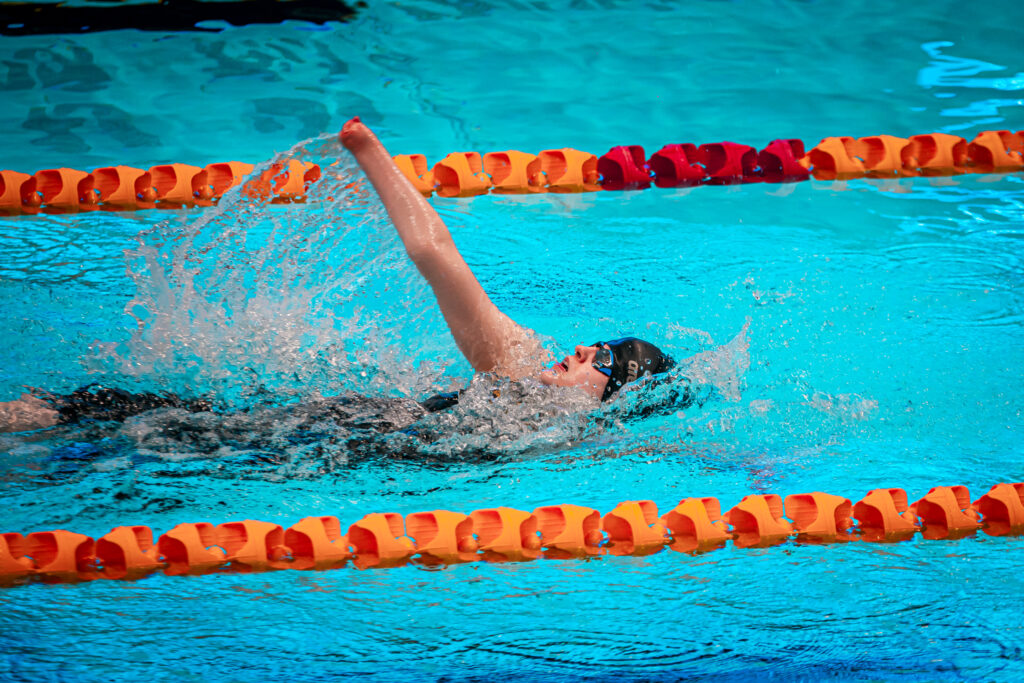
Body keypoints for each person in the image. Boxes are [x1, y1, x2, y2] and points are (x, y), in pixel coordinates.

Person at [0, 117, 676, 434]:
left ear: (614, 396)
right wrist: (369, 151)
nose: (585, 347)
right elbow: (435, 252)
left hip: (334, 461)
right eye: (597, 341)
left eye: (606, 358)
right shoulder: (513, 361)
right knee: (119, 421)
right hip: (325, 432)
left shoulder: (582, 449)